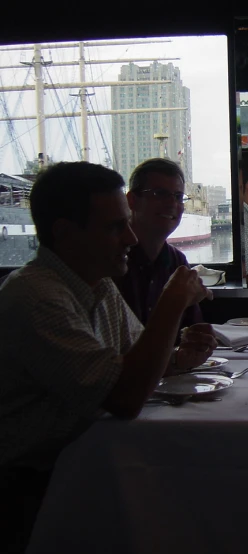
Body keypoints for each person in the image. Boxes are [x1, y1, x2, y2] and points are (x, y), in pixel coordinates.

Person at [0, 161, 217, 553]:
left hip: (93, 460)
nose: (131, 239)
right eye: (116, 226)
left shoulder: (95, 285)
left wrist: (181, 357)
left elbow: (140, 359)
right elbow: (123, 397)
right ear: (65, 233)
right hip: (34, 489)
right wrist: (172, 302)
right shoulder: (35, 297)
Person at [113, 158, 203, 329]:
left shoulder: (178, 263)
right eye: (159, 194)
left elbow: (191, 330)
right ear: (131, 200)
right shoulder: (111, 261)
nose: (171, 204)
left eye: (178, 196)